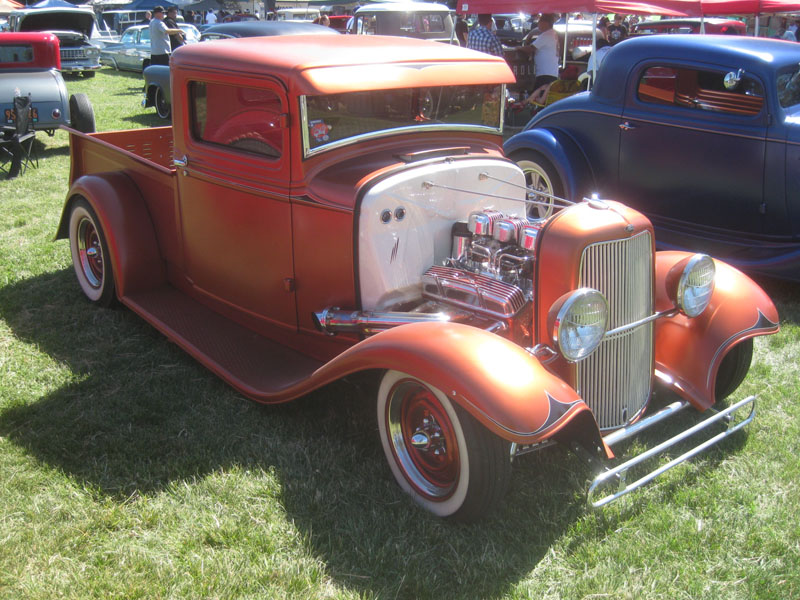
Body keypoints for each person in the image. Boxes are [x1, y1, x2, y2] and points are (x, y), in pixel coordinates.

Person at [522, 13, 559, 91]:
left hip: (545, 73)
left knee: (537, 96)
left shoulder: (546, 35)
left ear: (545, 23)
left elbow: (531, 48)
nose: (538, 24)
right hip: (550, 72)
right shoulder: (552, 33)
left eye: (539, 22)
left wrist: (517, 48)